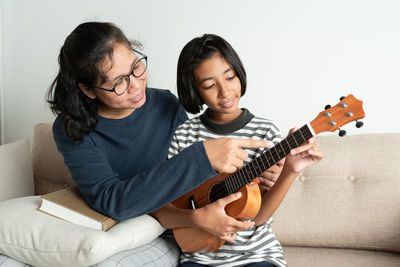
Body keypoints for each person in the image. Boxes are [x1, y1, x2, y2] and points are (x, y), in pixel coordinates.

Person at [47, 22, 276, 224]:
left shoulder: (166, 104)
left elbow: (197, 191)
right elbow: (113, 202)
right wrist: (200, 157)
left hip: (170, 229)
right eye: (118, 82)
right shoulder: (70, 129)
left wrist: (257, 179)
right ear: (88, 90)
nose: (136, 85)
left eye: (136, 67)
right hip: (119, 226)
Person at [151, 34, 323, 267]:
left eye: (230, 77)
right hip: (199, 256)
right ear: (195, 90)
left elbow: (259, 217)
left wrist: (290, 171)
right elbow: (166, 205)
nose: (224, 92)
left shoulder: (265, 132)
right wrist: (198, 218)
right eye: (210, 85)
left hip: (256, 255)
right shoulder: (184, 135)